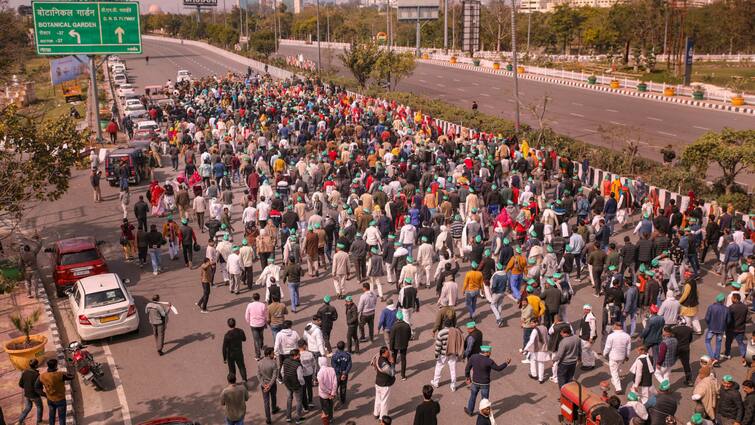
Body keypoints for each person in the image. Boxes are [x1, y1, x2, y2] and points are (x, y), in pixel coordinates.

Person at [464, 345, 510, 416]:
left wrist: (468, 377)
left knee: (473, 396)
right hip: (485, 384)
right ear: (486, 352)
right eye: (489, 352)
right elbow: (498, 368)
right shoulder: (489, 361)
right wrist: (506, 363)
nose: (490, 353)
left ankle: (470, 411)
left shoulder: (473, 357)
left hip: (475, 382)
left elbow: (467, 368)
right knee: (485, 400)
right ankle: (484, 415)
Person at [35, 359, 73, 425]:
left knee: (51, 416)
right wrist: (67, 371)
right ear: (55, 366)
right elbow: (72, 377)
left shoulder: (42, 376)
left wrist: (45, 395)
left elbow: (36, 387)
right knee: (61, 418)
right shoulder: (60, 375)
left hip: (50, 399)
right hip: (60, 399)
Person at [431, 319, 464, 391]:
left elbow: (438, 345)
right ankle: (453, 385)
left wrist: (436, 354)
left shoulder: (441, 333)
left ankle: (436, 382)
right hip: (453, 353)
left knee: (439, 367)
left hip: (443, 353)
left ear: (444, 324)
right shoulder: (456, 331)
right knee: (453, 369)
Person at [602, 322, 631, 394]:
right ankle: (614, 380)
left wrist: (604, 353)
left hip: (613, 357)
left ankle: (618, 388)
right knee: (616, 369)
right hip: (622, 357)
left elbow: (608, 347)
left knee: (614, 372)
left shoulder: (611, 336)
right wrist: (627, 356)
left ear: (616, 327)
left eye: (614, 326)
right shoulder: (627, 336)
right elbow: (628, 348)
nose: (613, 327)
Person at [705, 293, 730, 364]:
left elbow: (707, 318)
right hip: (721, 329)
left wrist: (709, 324)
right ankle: (717, 358)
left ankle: (712, 357)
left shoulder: (711, 307)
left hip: (711, 328)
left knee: (707, 341)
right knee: (718, 343)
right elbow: (728, 321)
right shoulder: (726, 309)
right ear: (723, 301)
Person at [257, 347, 280, 425]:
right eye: (272, 353)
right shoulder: (273, 363)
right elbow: (274, 376)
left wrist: (264, 385)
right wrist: (270, 385)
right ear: (269, 354)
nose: (273, 354)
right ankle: (274, 408)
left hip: (264, 385)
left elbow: (258, 375)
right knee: (273, 397)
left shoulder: (259, 362)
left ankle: (268, 419)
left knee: (266, 402)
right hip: (272, 385)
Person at [282, 349, 305, 424]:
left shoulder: (285, 361)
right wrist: (302, 384)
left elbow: (282, 371)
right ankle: (298, 418)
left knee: (289, 399)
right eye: (299, 354)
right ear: (295, 356)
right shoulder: (298, 365)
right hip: (296, 385)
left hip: (288, 384)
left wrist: (285, 378)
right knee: (299, 401)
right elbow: (300, 378)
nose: (300, 356)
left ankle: (288, 417)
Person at [373, 346, 396, 420]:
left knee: (378, 398)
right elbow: (392, 373)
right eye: (387, 353)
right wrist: (392, 363)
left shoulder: (378, 356)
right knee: (384, 401)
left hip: (378, 382)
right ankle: (382, 417)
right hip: (385, 384)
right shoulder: (384, 364)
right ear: (383, 353)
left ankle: (376, 413)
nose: (389, 354)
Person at [18, 358, 43, 425]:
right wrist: (43, 394)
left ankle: (20, 421)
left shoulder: (25, 372)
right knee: (39, 407)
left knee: (28, 408)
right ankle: (39, 422)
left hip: (27, 395)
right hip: (35, 395)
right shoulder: (36, 375)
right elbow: (39, 387)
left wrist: (27, 388)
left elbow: (20, 384)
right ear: (35, 366)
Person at [223, 318, 248, 383]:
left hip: (230, 354)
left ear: (228, 325)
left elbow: (224, 347)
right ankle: (244, 380)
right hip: (239, 353)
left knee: (231, 369)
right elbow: (244, 339)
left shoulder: (227, 335)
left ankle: (233, 382)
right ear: (235, 323)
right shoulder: (240, 331)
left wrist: (224, 358)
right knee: (242, 367)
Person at [389, 310, 412, 380]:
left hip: (395, 345)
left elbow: (392, 338)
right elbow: (409, 336)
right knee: (403, 359)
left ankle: (393, 372)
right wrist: (406, 341)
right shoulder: (407, 325)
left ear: (397, 318)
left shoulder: (394, 326)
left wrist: (391, 347)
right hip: (404, 345)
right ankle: (403, 375)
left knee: (394, 358)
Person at [245, 293, 268, 360]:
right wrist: (265, 322)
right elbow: (265, 315)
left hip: (253, 324)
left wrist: (249, 322)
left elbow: (247, 315)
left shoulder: (249, 305)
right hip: (261, 324)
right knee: (261, 336)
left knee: (256, 340)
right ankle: (261, 345)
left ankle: (258, 355)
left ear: (253, 298)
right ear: (259, 298)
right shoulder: (263, 305)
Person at [331, 341, 352, 406]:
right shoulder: (347, 355)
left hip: (337, 374)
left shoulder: (334, 356)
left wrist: (339, 371)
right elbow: (349, 365)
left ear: (337, 347)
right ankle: (343, 400)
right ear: (344, 347)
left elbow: (333, 366)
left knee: (335, 387)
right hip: (344, 374)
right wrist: (345, 373)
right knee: (343, 387)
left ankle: (335, 400)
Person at [317, 356, 337, 423]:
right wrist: (332, 392)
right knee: (331, 406)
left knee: (325, 408)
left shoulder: (320, 373)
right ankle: (331, 418)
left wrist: (328, 392)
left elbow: (322, 386)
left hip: (323, 395)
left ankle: (326, 421)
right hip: (331, 393)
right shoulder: (332, 369)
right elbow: (335, 383)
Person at [578, 304, 597, 370]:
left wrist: (591, 338)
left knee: (585, 350)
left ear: (589, 310)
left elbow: (593, 328)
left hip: (587, 337)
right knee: (589, 350)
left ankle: (587, 364)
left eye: (586, 309)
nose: (585, 310)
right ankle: (591, 363)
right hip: (584, 335)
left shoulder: (591, 317)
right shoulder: (587, 315)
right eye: (584, 309)